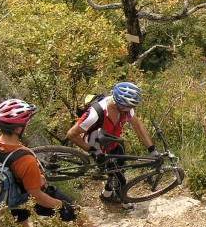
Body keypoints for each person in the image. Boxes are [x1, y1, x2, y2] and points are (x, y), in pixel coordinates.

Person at [0, 99, 111, 227]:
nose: (27, 125)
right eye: (25, 123)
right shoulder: (25, 159)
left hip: (9, 194)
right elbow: (37, 196)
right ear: (17, 129)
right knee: (77, 211)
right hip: (29, 196)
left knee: (20, 217)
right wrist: (61, 205)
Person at [66, 82, 159, 210]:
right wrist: (93, 152)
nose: (131, 109)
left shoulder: (125, 107)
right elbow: (72, 134)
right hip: (98, 146)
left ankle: (106, 194)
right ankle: (124, 201)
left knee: (120, 168)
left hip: (114, 142)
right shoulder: (95, 113)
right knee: (120, 179)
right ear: (119, 103)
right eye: (129, 106)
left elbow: (138, 126)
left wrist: (151, 149)